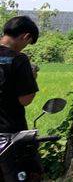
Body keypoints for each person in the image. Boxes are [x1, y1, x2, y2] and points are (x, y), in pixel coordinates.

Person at [0, 16, 41, 181]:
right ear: (26, 36)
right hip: (10, 132)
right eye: (28, 43)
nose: (25, 47)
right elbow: (25, 99)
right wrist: (32, 77)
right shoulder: (19, 59)